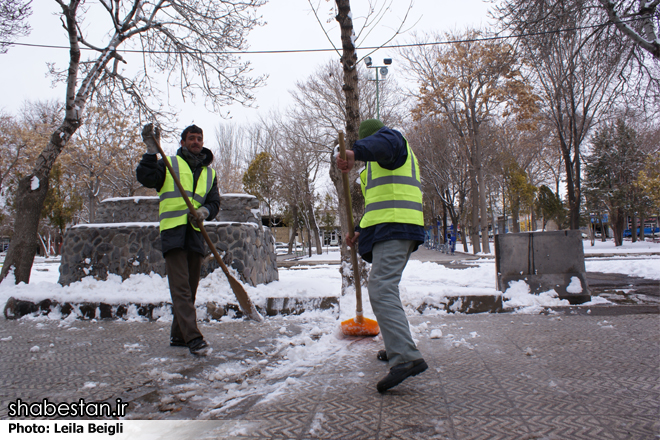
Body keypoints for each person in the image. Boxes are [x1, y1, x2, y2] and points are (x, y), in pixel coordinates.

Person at [336, 119, 428, 393]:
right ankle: (396, 346)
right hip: (389, 227)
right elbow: (378, 207)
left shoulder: (392, 144)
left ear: (370, 141)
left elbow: (385, 141)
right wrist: (360, 232)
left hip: (397, 226)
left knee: (380, 288)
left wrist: (354, 153)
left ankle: (406, 358)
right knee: (386, 288)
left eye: (363, 146)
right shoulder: (373, 171)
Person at [136, 123, 220, 356]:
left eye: (199, 139)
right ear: (182, 142)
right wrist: (151, 152)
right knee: (181, 288)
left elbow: (214, 203)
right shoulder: (169, 164)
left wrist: (205, 212)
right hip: (173, 231)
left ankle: (178, 335)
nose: (196, 142)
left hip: (195, 235)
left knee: (190, 289)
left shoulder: (209, 173)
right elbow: (146, 177)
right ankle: (194, 338)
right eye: (191, 138)